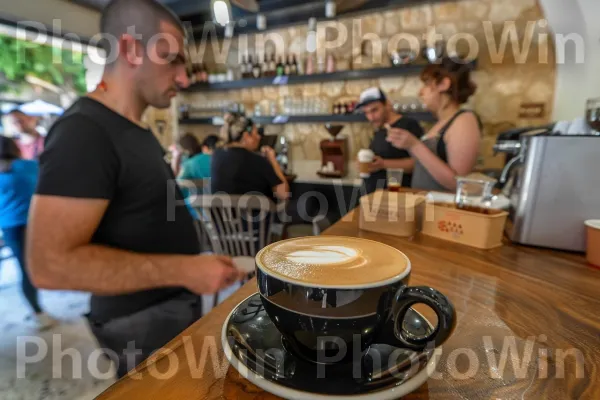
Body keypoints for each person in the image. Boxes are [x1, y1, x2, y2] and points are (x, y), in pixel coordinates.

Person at [26, 0, 245, 378]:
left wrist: (194, 267)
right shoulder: (84, 131)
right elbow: (49, 264)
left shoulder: (135, 130)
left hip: (170, 305)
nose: (184, 78)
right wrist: (184, 269)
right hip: (138, 321)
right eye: (172, 60)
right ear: (129, 49)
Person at [385, 58, 482, 191]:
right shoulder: (442, 122)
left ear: (443, 84)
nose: (420, 92)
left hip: (444, 210)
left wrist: (414, 145)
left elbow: (458, 183)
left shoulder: (464, 120)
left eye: (426, 84)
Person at [0, 136, 57, 330]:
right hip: (36, 221)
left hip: (10, 227)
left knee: (24, 268)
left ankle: (38, 312)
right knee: (39, 262)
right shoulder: (30, 166)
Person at [355, 88, 425, 193]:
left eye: (374, 110)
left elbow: (419, 164)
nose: (371, 117)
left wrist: (383, 164)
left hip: (396, 196)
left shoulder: (408, 124)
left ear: (387, 104)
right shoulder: (380, 129)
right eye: (366, 112)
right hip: (373, 196)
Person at [211, 113, 289, 201]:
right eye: (255, 134)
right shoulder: (258, 161)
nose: (259, 137)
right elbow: (284, 194)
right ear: (246, 136)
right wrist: (272, 159)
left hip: (222, 214)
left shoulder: (216, 156)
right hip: (256, 214)